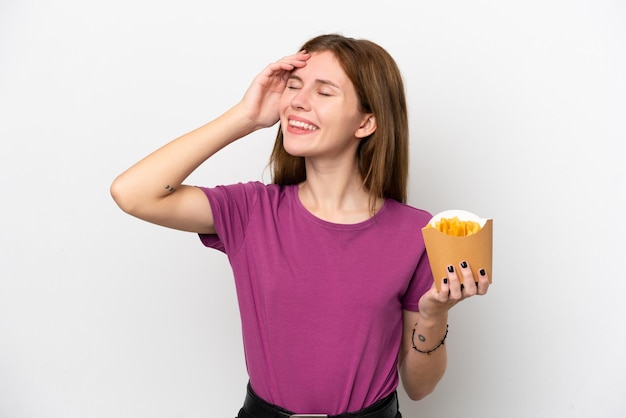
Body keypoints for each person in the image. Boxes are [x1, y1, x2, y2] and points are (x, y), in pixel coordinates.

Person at [111, 33, 490, 418]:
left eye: (324, 92)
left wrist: (433, 315)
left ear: (366, 122)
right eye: (294, 86)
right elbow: (132, 193)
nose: (297, 100)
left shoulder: (416, 231)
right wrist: (245, 116)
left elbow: (420, 387)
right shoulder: (251, 211)